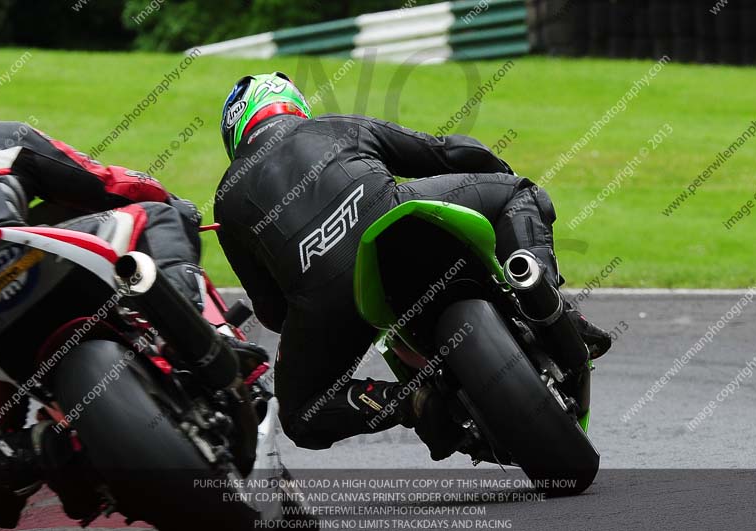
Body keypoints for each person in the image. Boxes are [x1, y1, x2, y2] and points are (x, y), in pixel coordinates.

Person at [213, 72, 612, 462]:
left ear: (236, 135)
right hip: (397, 218)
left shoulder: (226, 200)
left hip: (328, 294)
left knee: (301, 413)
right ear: (294, 105)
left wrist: (313, 301)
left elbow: (270, 311)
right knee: (520, 194)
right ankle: (539, 296)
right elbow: (442, 152)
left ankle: (409, 402)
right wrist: (496, 172)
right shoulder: (333, 125)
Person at [0, 120, 258, 528]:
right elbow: (106, 183)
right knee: (156, 215)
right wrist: (171, 200)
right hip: (21, 255)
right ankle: (210, 334)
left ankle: (28, 452)